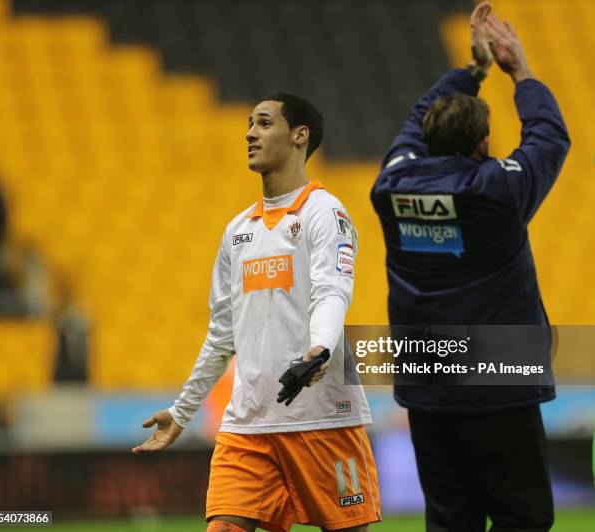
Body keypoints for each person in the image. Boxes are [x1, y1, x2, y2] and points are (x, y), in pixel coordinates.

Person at [133, 92, 380, 531]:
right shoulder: (237, 231)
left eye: (264, 123)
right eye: (249, 123)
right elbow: (221, 332)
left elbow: (332, 291)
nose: (250, 133)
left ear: (300, 135)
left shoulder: (326, 213)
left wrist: (319, 349)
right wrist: (183, 411)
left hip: (322, 419)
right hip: (247, 425)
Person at [370, 3, 569, 532]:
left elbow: (415, 120)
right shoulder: (499, 192)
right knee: (521, 517)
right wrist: (518, 70)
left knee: (450, 520)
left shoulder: (391, 189)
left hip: (429, 380)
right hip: (499, 379)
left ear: (428, 141)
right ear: (483, 144)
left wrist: (472, 72)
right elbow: (548, 136)